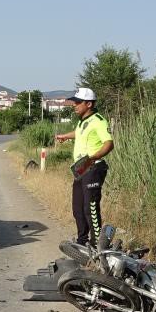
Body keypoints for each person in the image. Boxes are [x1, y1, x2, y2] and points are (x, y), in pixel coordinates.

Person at [55, 88, 114, 248]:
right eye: (74, 102)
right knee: (78, 209)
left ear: (88, 104)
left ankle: (97, 245)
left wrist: (93, 157)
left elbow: (109, 143)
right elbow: (79, 133)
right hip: (81, 168)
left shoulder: (99, 120)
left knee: (90, 208)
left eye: (77, 102)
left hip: (93, 167)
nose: (74, 105)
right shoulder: (82, 121)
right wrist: (65, 136)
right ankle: (82, 241)